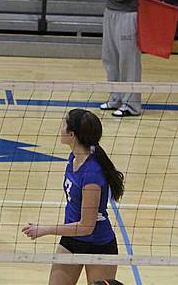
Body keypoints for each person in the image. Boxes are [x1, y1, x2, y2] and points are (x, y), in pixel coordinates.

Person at [22, 108, 125, 284]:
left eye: (64, 124)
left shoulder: (92, 175)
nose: (60, 128)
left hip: (98, 244)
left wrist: (45, 229)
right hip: (72, 239)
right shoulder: (74, 157)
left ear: (72, 135)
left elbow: (86, 226)